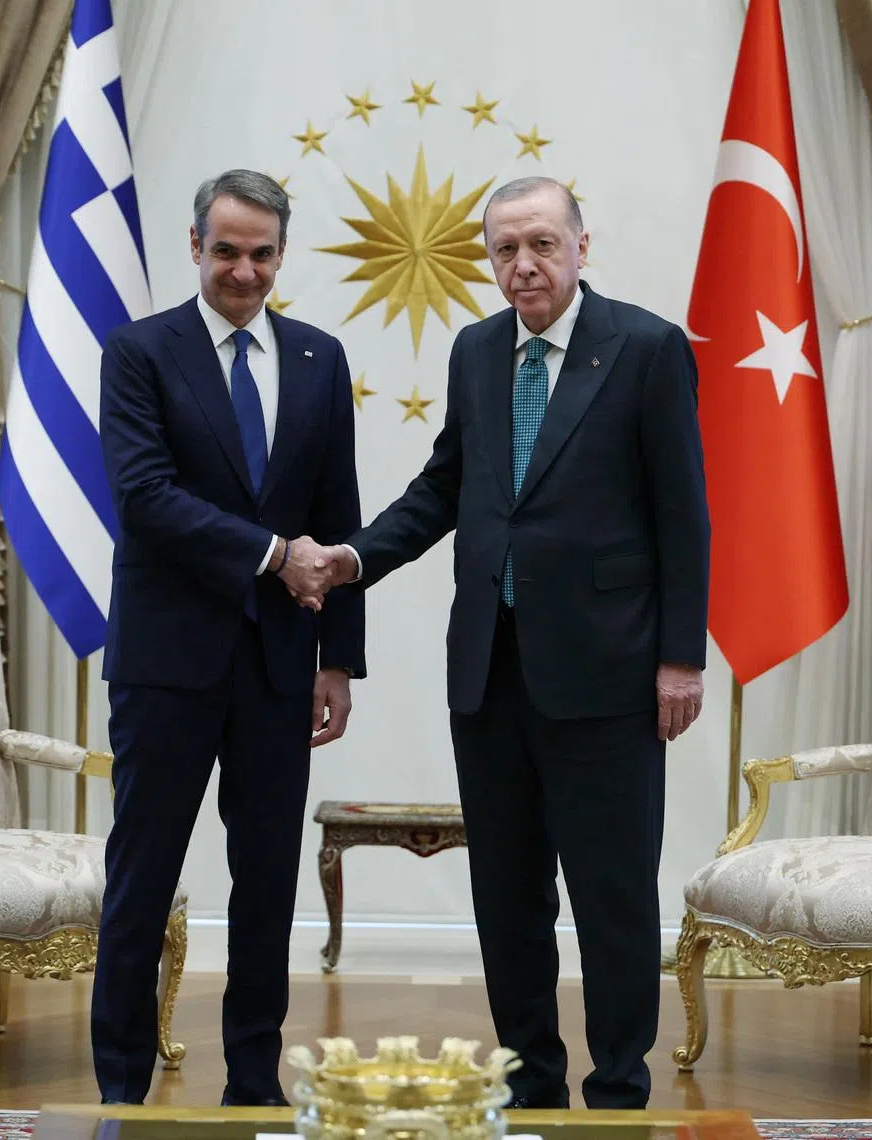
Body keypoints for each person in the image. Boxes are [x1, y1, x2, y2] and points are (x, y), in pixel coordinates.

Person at [311, 177, 709, 1109]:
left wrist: (681, 657)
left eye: (541, 244)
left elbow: (683, 514)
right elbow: (443, 487)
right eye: (504, 249)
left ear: (581, 246)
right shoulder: (477, 350)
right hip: (490, 672)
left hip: (610, 673)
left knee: (612, 896)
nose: (523, 264)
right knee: (509, 895)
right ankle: (531, 1088)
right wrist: (353, 558)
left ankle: (618, 1094)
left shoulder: (648, 348)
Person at [92, 169, 364, 1107]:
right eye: (226, 251)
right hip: (167, 664)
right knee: (143, 878)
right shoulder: (140, 351)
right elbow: (143, 497)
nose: (243, 271)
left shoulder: (321, 358)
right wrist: (272, 553)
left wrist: (339, 659)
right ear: (195, 246)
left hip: (281, 666)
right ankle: (120, 1091)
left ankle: (253, 1085)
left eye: (261, 254)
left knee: (266, 885)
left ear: (281, 255)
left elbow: (337, 513)